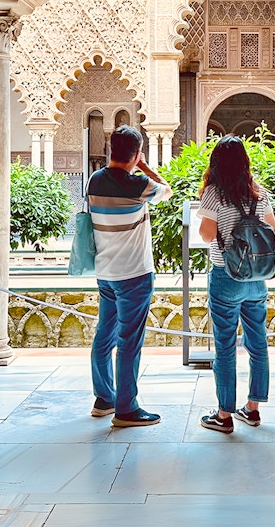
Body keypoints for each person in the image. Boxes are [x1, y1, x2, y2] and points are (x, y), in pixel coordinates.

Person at [88, 125, 172, 427]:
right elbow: (167, 190)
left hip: (106, 273)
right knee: (129, 342)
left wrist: (135, 163)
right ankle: (126, 409)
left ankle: (104, 398)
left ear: (111, 149)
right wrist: (145, 166)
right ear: (135, 154)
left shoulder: (93, 181)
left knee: (104, 334)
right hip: (134, 274)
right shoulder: (138, 185)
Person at [197, 135, 275, 434]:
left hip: (226, 276)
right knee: (258, 343)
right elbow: (274, 230)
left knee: (225, 347)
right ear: (245, 161)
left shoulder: (214, 193)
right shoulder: (258, 193)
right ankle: (253, 409)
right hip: (257, 279)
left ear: (216, 162)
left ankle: (223, 415)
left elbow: (206, 235)